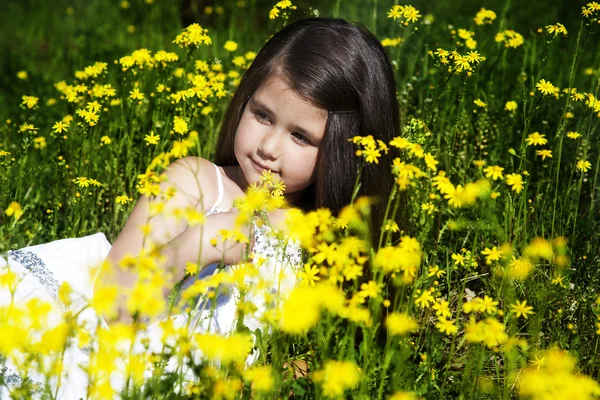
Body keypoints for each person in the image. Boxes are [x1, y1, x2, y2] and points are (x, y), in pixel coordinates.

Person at [0, 16, 399, 399]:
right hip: (116, 356)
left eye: (300, 137)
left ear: (347, 151)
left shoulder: (334, 236)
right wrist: (197, 243)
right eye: (262, 115)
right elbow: (113, 302)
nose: (268, 148)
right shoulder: (197, 184)